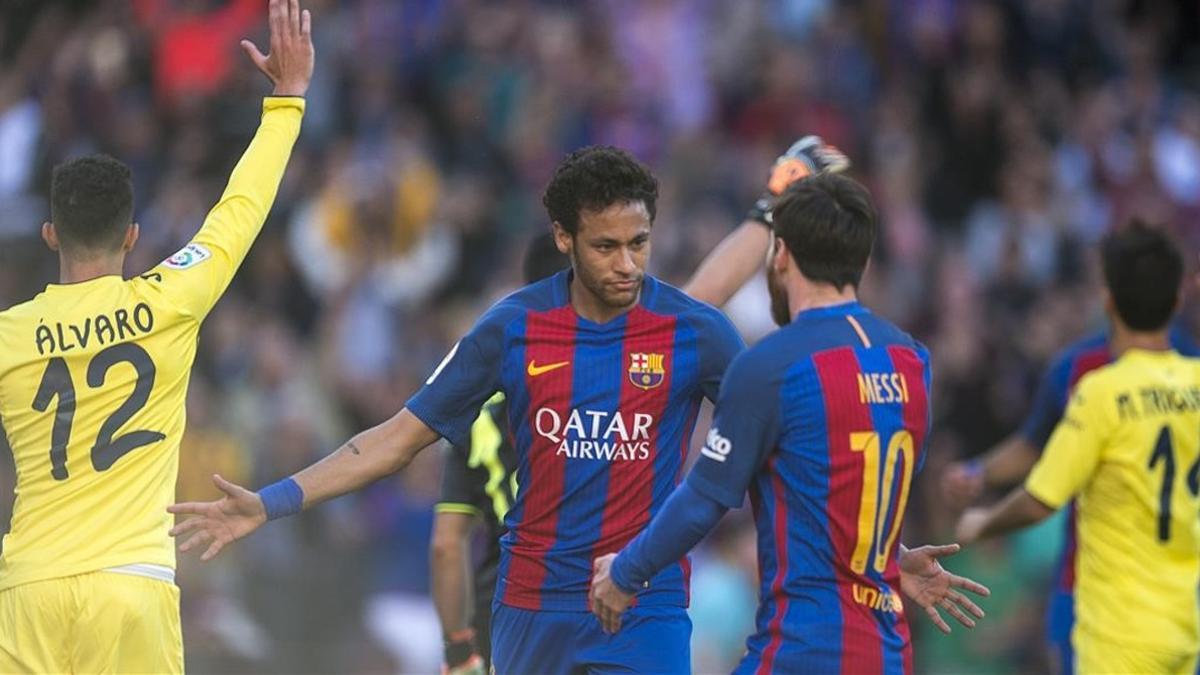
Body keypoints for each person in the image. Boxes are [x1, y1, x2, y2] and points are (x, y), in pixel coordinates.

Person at [169, 144, 747, 674]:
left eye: (639, 243)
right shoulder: (511, 328)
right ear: (564, 238)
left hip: (646, 604)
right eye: (606, 246)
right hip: (531, 607)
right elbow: (397, 439)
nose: (627, 264)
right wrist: (270, 502)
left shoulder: (695, 332)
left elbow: (764, 434)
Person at [0, 1, 312, 672]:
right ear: (133, 237)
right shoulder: (171, 298)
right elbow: (239, 211)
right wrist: (287, 100)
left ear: (51, 234)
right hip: (132, 582)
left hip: (29, 586)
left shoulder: (9, 337)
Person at [590, 173, 990, 674]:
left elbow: (703, 499)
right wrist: (887, 557)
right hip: (888, 655)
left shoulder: (771, 366)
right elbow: (858, 487)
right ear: (862, 261)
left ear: (779, 255)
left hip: (804, 651)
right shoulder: (913, 361)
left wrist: (625, 572)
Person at [955, 221, 1200, 675]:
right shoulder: (1196, 381)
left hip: (1118, 627)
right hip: (1186, 620)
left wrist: (982, 522)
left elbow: (1040, 500)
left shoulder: (1100, 391)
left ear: (1108, 300)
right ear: (1176, 300)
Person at [431, 232, 567, 675]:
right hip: (602, 609)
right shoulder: (616, 394)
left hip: (504, 616)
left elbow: (446, 546)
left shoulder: (480, 419)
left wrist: (458, 651)